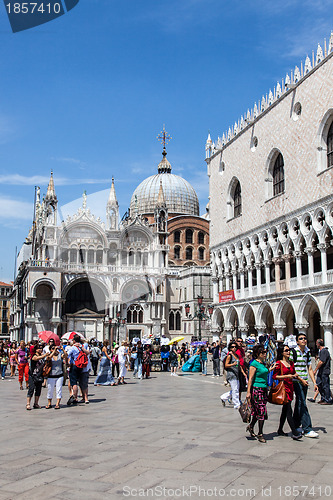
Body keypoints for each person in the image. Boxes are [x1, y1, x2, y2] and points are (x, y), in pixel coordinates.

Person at [291, 333, 319, 438]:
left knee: (299, 403)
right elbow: (292, 368)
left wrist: (314, 382)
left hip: (305, 381)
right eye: (301, 339)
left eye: (305, 338)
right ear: (297, 341)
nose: (304, 340)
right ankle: (307, 428)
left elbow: (310, 369)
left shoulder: (307, 352)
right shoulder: (293, 352)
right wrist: (300, 379)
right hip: (296, 381)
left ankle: (295, 425)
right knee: (302, 402)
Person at [273, 344, 303, 439]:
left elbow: (294, 373)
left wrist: (302, 380)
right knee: (289, 410)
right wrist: (287, 376)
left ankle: (280, 429)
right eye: (286, 350)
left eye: (289, 350)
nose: (288, 352)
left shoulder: (291, 363)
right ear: (282, 352)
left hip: (290, 387)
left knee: (285, 410)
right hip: (283, 388)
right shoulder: (279, 363)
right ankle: (294, 432)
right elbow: (275, 376)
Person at [246, 344, 269, 443]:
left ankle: (251, 426)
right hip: (256, 389)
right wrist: (248, 392)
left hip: (264, 389)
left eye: (265, 352)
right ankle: (260, 433)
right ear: (257, 353)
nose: (265, 354)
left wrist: (270, 369)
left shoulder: (263, 363)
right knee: (262, 411)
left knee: (257, 412)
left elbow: (264, 373)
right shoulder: (254, 364)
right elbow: (250, 378)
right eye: (263, 352)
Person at [66, 335, 90, 406]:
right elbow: (88, 353)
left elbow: (67, 355)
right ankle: (85, 398)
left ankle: (75, 397)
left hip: (74, 366)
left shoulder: (73, 348)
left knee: (74, 383)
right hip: (81, 366)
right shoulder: (82, 346)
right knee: (82, 382)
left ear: (74, 340)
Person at [220, 341, 244, 409]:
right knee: (235, 389)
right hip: (231, 374)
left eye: (235, 347)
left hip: (236, 373)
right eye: (232, 347)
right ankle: (237, 404)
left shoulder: (236, 355)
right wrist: (233, 364)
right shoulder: (229, 356)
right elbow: (226, 365)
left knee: (236, 389)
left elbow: (239, 365)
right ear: (230, 348)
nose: (234, 348)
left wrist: (243, 373)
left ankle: (224, 397)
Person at [26, 343, 49, 410]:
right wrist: (44, 355)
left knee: (38, 390)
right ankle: (28, 404)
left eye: (41, 348)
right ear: (35, 350)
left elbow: (47, 358)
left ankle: (36, 403)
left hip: (40, 375)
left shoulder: (42, 356)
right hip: (32, 375)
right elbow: (36, 359)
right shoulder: (33, 356)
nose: (40, 349)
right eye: (39, 348)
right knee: (31, 389)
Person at [46, 343, 67, 409]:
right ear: (50, 350)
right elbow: (48, 358)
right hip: (51, 375)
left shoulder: (60, 355)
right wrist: (53, 351)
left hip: (59, 375)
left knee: (59, 389)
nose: (55, 350)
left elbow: (66, 356)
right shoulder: (49, 355)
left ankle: (57, 403)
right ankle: (49, 403)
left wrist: (62, 349)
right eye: (52, 349)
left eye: (55, 348)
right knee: (50, 389)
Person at [313, 339, 332, 405]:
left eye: (316, 343)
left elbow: (322, 362)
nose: (316, 345)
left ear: (318, 344)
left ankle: (328, 399)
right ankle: (323, 398)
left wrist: (315, 370)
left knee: (325, 385)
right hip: (321, 371)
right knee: (319, 384)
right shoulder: (321, 351)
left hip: (324, 371)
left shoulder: (324, 351)